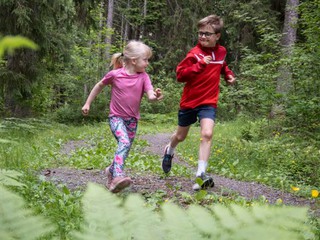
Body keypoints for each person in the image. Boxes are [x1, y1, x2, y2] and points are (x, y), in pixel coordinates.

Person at [161, 14, 236, 191]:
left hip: (208, 101)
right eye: (200, 33)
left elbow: (222, 65)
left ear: (217, 36)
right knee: (180, 137)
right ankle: (169, 150)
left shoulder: (221, 51)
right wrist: (200, 65)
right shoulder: (194, 54)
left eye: (207, 34)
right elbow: (180, 75)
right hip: (189, 102)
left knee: (207, 133)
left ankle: (200, 174)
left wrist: (228, 75)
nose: (202, 36)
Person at [82, 40, 163, 193]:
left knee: (124, 148)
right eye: (145, 60)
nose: (147, 63)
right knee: (124, 142)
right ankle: (117, 177)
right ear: (134, 60)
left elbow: (150, 95)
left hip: (132, 120)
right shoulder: (115, 75)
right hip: (116, 118)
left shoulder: (144, 77)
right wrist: (87, 103)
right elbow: (99, 85)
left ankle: (111, 170)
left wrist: (156, 96)